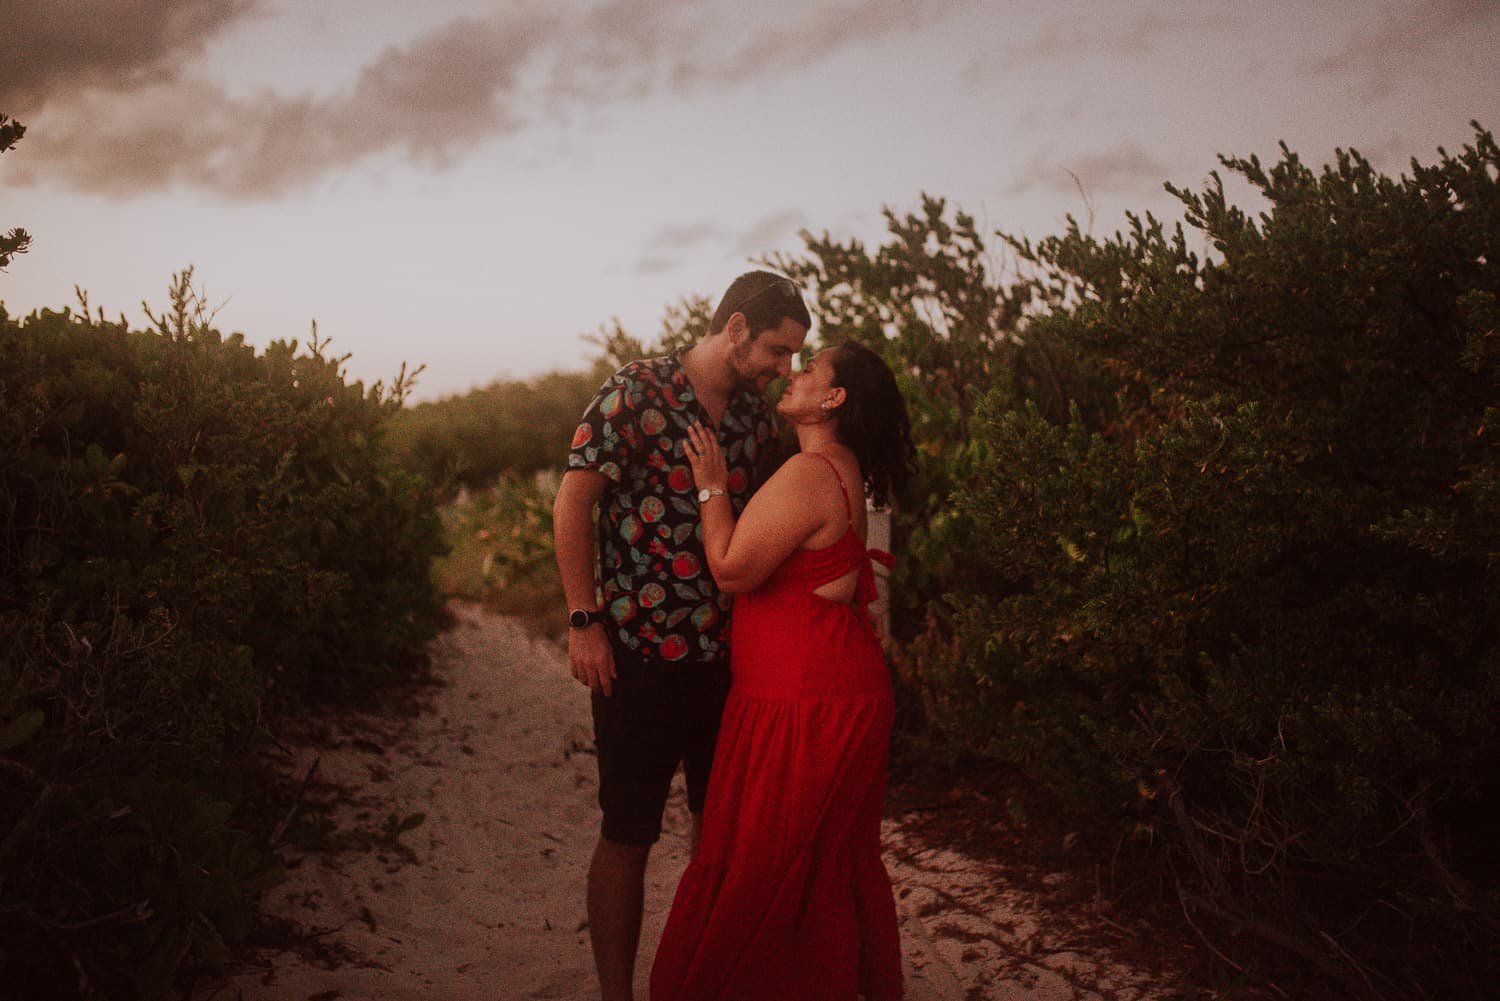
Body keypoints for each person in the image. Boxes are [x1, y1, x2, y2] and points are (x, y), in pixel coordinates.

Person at [553, 271, 812, 1001]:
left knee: (719, 838)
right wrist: (584, 620)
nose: (784, 367)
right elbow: (573, 502)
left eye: (796, 357)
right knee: (628, 833)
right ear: (734, 329)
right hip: (634, 658)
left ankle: (705, 981)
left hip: (732, 666)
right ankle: (616, 995)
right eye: (777, 350)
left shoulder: (756, 420)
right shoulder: (634, 391)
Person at [650, 341, 916, 1001]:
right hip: (811, 691)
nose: (794, 372)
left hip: (806, 701)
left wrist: (711, 484)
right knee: (813, 866)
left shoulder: (812, 471)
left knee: (771, 869)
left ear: (834, 399)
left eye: (812, 366)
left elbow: (733, 567)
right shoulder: (835, 463)